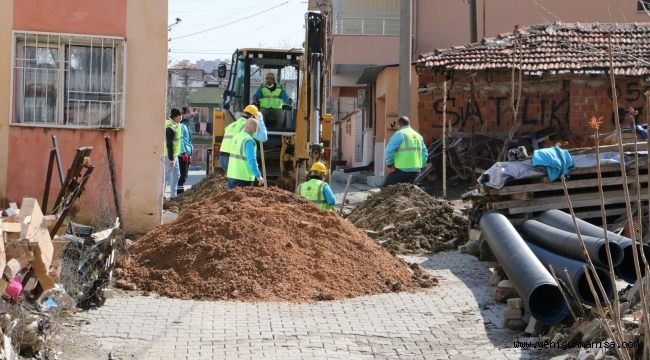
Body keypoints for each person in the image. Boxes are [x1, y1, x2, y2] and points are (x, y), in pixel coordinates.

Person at [219, 104, 267, 172]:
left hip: (222, 158)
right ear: (253, 117)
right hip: (233, 158)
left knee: (233, 181)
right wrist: (260, 120)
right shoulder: (247, 126)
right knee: (240, 181)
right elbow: (263, 137)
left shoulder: (232, 125)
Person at [382, 116, 428, 188]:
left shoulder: (400, 134)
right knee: (407, 192)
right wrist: (421, 167)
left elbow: (389, 151)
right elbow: (424, 153)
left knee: (385, 188)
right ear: (409, 123)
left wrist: (390, 165)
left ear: (399, 125)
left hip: (401, 170)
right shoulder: (418, 136)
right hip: (414, 171)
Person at [226, 118, 265, 189]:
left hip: (231, 175)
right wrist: (258, 176)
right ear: (254, 129)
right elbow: (251, 160)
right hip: (242, 178)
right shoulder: (248, 140)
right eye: (257, 129)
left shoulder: (236, 137)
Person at [165, 108, 182, 199]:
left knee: (176, 175)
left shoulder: (176, 124)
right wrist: (171, 158)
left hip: (174, 154)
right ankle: (161, 197)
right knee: (166, 176)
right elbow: (169, 144)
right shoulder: (170, 127)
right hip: (168, 155)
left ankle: (173, 197)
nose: (181, 118)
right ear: (177, 116)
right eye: (180, 116)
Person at [177, 107, 195, 194]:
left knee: (185, 176)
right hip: (182, 155)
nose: (191, 115)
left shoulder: (186, 126)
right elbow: (181, 140)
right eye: (189, 114)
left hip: (187, 154)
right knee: (182, 176)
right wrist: (184, 152)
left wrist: (189, 154)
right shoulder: (181, 126)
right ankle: (179, 193)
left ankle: (180, 192)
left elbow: (188, 141)